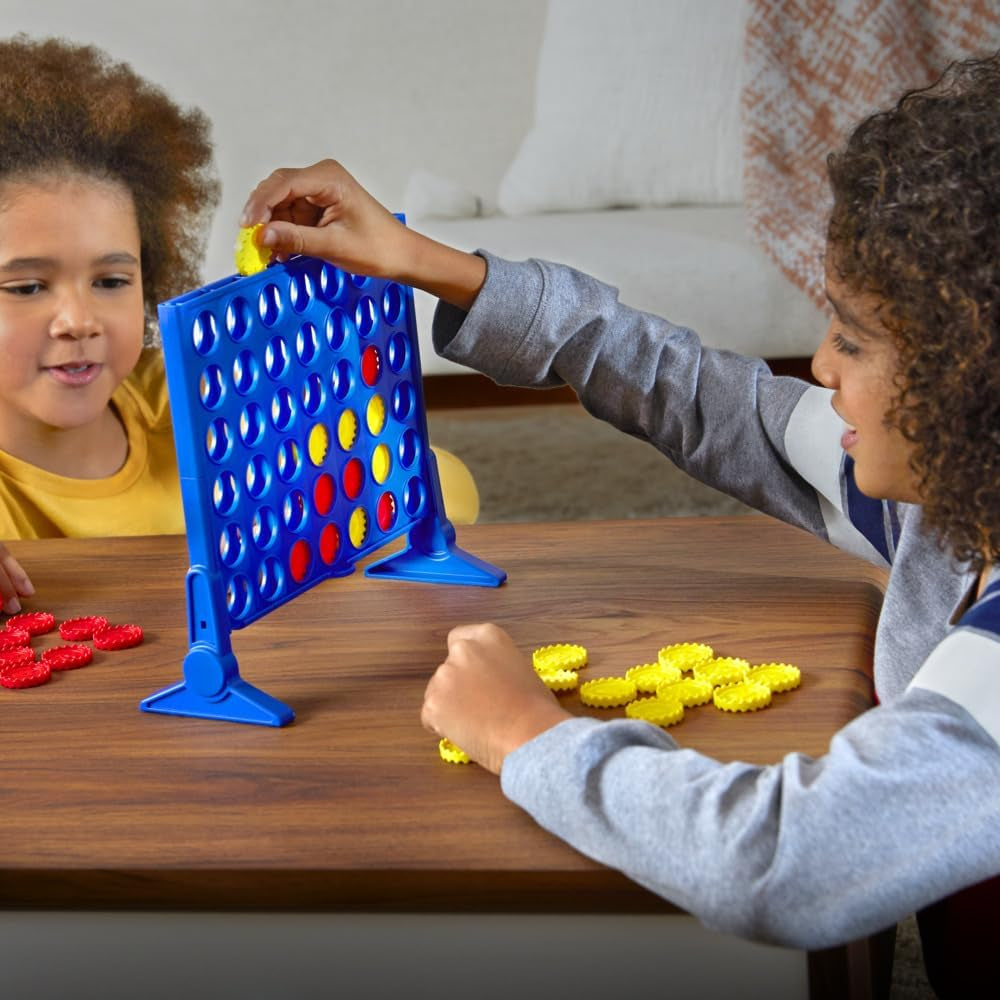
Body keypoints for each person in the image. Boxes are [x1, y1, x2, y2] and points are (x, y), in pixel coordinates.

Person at [240, 53, 998, 997]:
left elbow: (790, 860)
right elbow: (713, 402)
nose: (819, 362)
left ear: (967, 373)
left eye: (853, 335)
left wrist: (528, 737)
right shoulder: (956, 505)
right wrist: (434, 266)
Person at [0, 35, 478, 617]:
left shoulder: (190, 393)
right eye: (25, 287)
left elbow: (442, 484)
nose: (78, 322)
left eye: (111, 281)